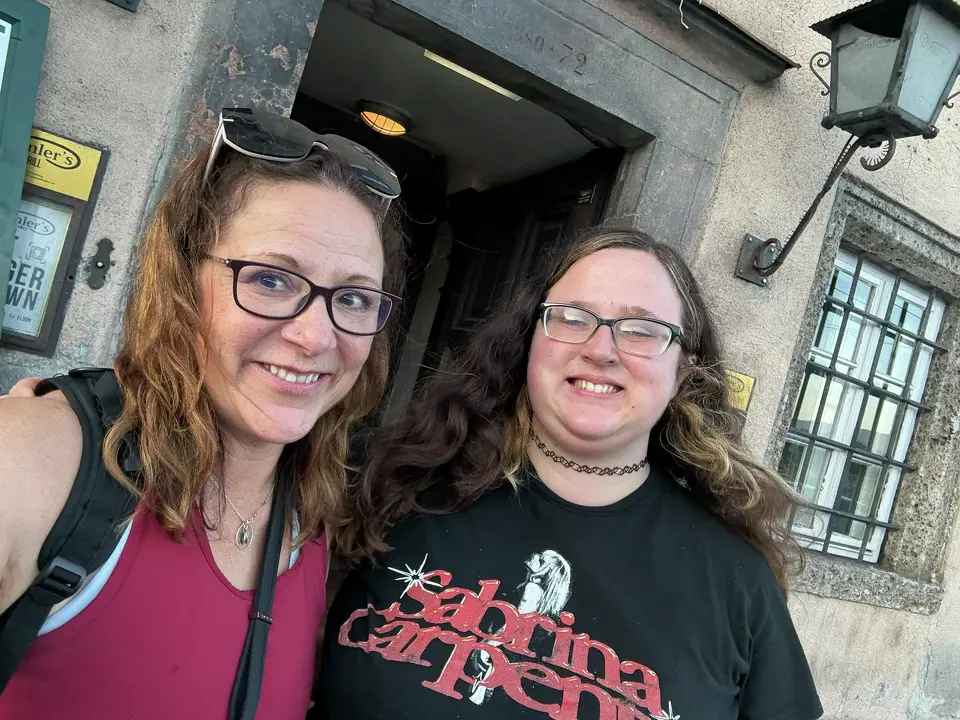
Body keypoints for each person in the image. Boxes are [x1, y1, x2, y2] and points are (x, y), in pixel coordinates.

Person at [317, 227, 823, 720]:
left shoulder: (738, 582)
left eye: (643, 330)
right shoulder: (397, 489)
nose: (601, 350)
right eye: (573, 318)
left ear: (681, 374)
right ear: (530, 341)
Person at [0, 108, 404, 719]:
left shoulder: (312, 524)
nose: (316, 336)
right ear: (182, 280)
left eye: (352, 297)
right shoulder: (38, 464)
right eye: (271, 280)